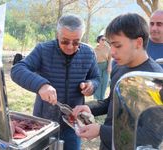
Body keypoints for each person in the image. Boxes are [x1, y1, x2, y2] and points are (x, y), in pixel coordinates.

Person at [72, 13, 163, 150]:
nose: (112, 52)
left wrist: (101, 131)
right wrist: (88, 108)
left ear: (138, 42)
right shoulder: (119, 67)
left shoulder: (153, 79)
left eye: (118, 46)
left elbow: (151, 136)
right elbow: (111, 102)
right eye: (111, 45)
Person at [11, 14, 100, 150]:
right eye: (65, 41)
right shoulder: (43, 50)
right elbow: (17, 70)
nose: (70, 46)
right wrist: (41, 85)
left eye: (76, 42)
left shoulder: (88, 53)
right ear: (57, 35)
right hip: (44, 123)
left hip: (73, 122)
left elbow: (96, 78)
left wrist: (91, 85)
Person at [93, 35, 111, 100]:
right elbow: (93, 60)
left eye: (105, 40)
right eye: (102, 40)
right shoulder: (94, 49)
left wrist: (109, 66)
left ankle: (102, 98)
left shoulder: (108, 48)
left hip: (106, 66)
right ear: (99, 40)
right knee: (98, 83)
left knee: (105, 82)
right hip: (98, 67)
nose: (104, 41)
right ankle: (97, 99)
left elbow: (109, 58)